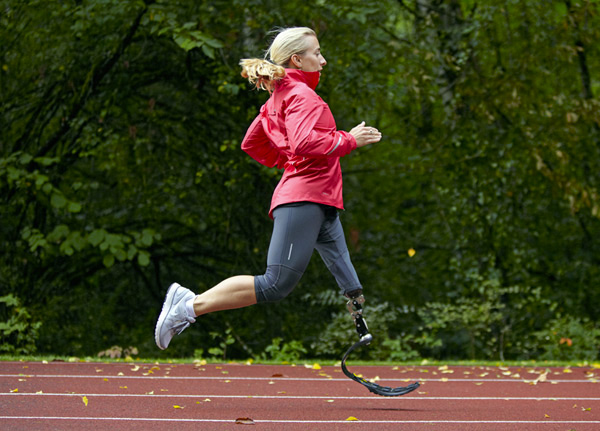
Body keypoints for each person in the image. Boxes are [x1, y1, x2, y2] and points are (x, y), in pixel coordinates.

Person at [155, 27, 382, 351]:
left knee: (336, 264)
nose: (323, 60)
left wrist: (290, 163)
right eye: (317, 53)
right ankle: (188, 307)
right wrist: (348, 140)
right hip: (304, 199)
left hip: (317, 199)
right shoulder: (303, 97)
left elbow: (253, 142)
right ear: (297, 59)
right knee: (275, 283)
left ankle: (188, 304)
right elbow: (303, 141)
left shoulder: (280, 96)